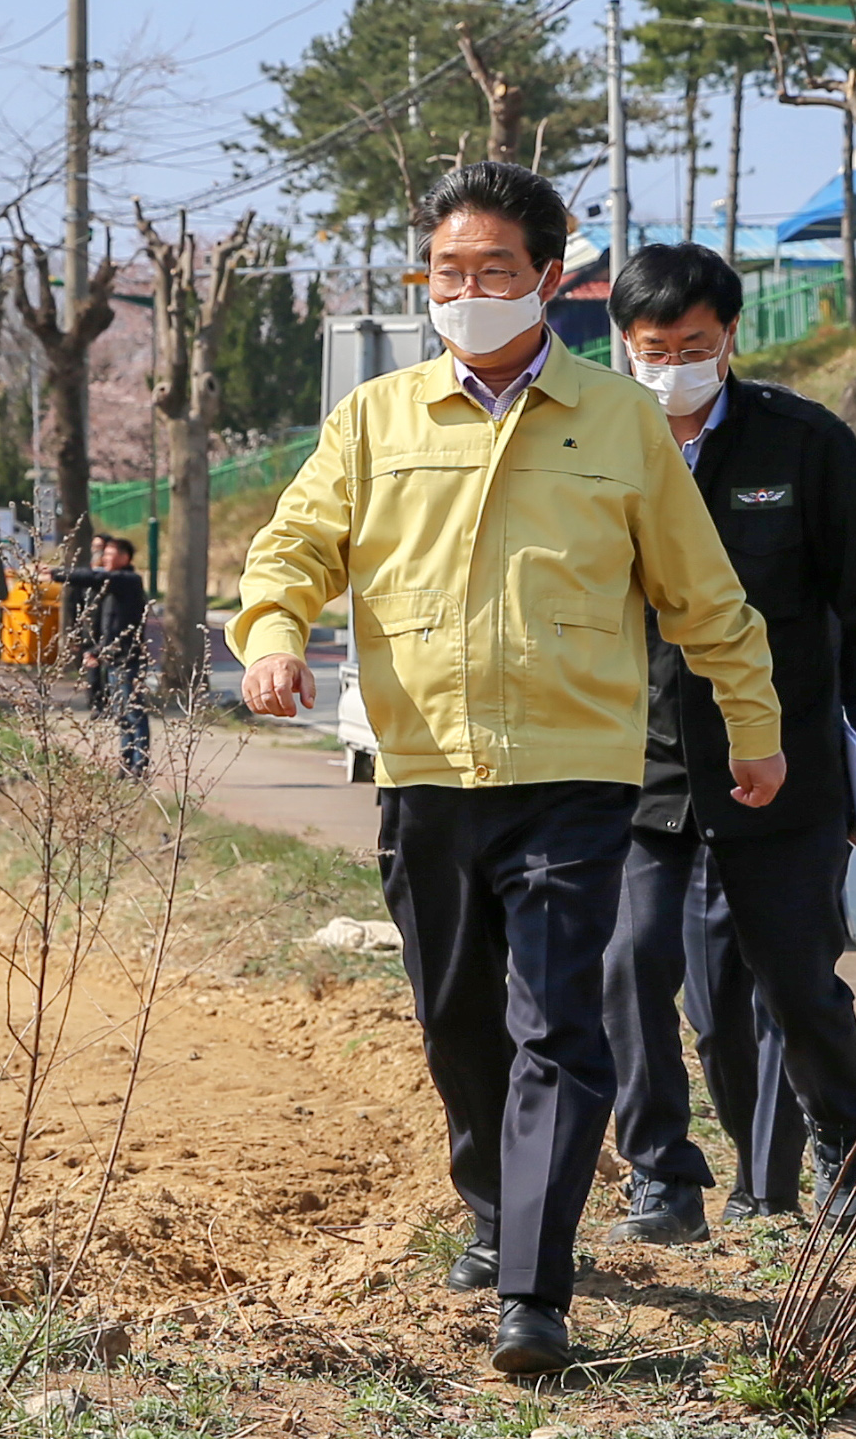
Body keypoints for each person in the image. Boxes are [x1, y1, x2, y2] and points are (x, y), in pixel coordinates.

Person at [230, 163, 783, 1378]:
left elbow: (706, 597)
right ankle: (493, 1200)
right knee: (456, 1020)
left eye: (492, 270)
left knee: (556, 1022)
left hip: (575, 774)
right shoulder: (376, 419)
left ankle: (535, 1286)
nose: (466, 291)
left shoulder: (621, 421)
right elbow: (294, 547)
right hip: (423, 764)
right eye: (446, 270)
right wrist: (272, 635)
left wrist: (754, 722)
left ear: (549, 273)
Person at [597, 245, 856, 1244]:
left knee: (797, 977)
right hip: (636, 762)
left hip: (775, 761)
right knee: (628, 963)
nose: (672, 366)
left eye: (694, 346)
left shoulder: (801, 445)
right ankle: (660, 1171)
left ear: (730, 340)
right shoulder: (591, 444)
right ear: (625, 346)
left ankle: (841, 1144)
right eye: (653, 348)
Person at [55, 534, 152, 776]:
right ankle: (125, 762)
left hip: (129, 660)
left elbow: (97, 577)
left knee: (134, 712)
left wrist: (56, 573)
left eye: (109, 554)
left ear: (124, 557)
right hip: (113, 659)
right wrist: (96, 651)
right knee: (122, 715)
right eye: (103, 554)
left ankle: (139, 764)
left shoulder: (128, 580)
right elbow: (111, 628)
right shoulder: (112, 588)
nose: (104, 558)